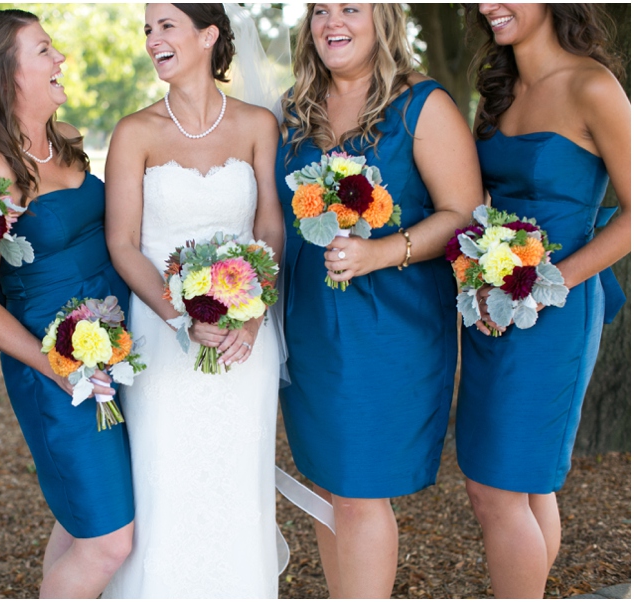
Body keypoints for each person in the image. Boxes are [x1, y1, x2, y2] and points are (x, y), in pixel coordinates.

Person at [275, 3, 481, 597]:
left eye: (349, 7)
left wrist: (379, 253)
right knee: (332, 487)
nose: (331, 20)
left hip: (391, 330)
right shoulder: (295, 109)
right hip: (312, 328)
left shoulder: (424, 106)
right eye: (319, 10)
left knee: (361, 491)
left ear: (383, 17)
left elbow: (463, 214)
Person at [101, 4, 285, 597]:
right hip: (162, 335)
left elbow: (271, 230)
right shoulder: (135, 132)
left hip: (245, 337)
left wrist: (254, 317)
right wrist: (181, 315)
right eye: (148, 29)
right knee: (168, 483)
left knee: (236, 483)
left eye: (166, 26)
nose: (153, 38)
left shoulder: (259, 123)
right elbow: (122, 244)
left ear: (208, 36)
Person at [0, 10, 135, 598]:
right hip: (55, 369)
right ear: (8, 75)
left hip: (115, 351)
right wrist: (56, 367)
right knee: (112, 540)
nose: (61, 60)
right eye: (44, 51)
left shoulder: (67, 142)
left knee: (84, 523)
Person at [458, 4, 630, 598]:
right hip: (493, 309)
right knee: (525, 485)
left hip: (557, 314)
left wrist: (546, 285)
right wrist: (479, 284)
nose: (486, 6)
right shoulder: (499, 91)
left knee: (496, 489)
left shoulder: (592, 86)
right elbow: (481, 205)